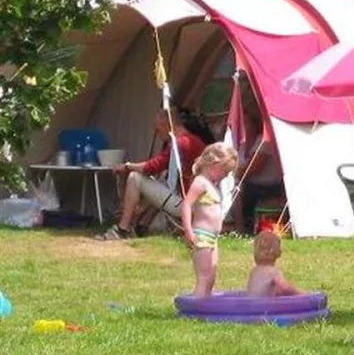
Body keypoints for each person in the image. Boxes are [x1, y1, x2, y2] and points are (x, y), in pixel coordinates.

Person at [98, 107, 207, 240]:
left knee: (135, 178)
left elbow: (152, 167)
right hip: (197, 202)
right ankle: (140, 224)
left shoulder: (181, 143)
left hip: (188, 205)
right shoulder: (191, 140)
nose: (156, 131)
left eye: (158, 126)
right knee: (160, 179)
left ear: (168, 125)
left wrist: (126, 166)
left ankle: (123, 228)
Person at [181, 143, 238, 297]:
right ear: (214, 165)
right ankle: (197, 308)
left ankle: (207, 303)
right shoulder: (200, 183)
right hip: (202, 236)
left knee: (212, 275)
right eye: (225, 171)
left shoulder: (213, 185)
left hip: (213, 238)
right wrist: (188, 231)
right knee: (204, 276)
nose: (226, 176)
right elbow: (186, 205)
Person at [232, 114, 284, 235]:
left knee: (236, 189)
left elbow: (251, 170)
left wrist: (230, 171)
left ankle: (240, 228)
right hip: (251, 184)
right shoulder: (241, 144)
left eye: (245, 124)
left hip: (268, 187)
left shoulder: (264, 142)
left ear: (255, 126)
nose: (242, 128)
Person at [246, 230, 303, 297]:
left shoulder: (254, 271)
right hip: (265, 306)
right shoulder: (272, 272)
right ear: (278, 253)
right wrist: (303, 295)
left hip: (251, 305)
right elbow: (285, 287)